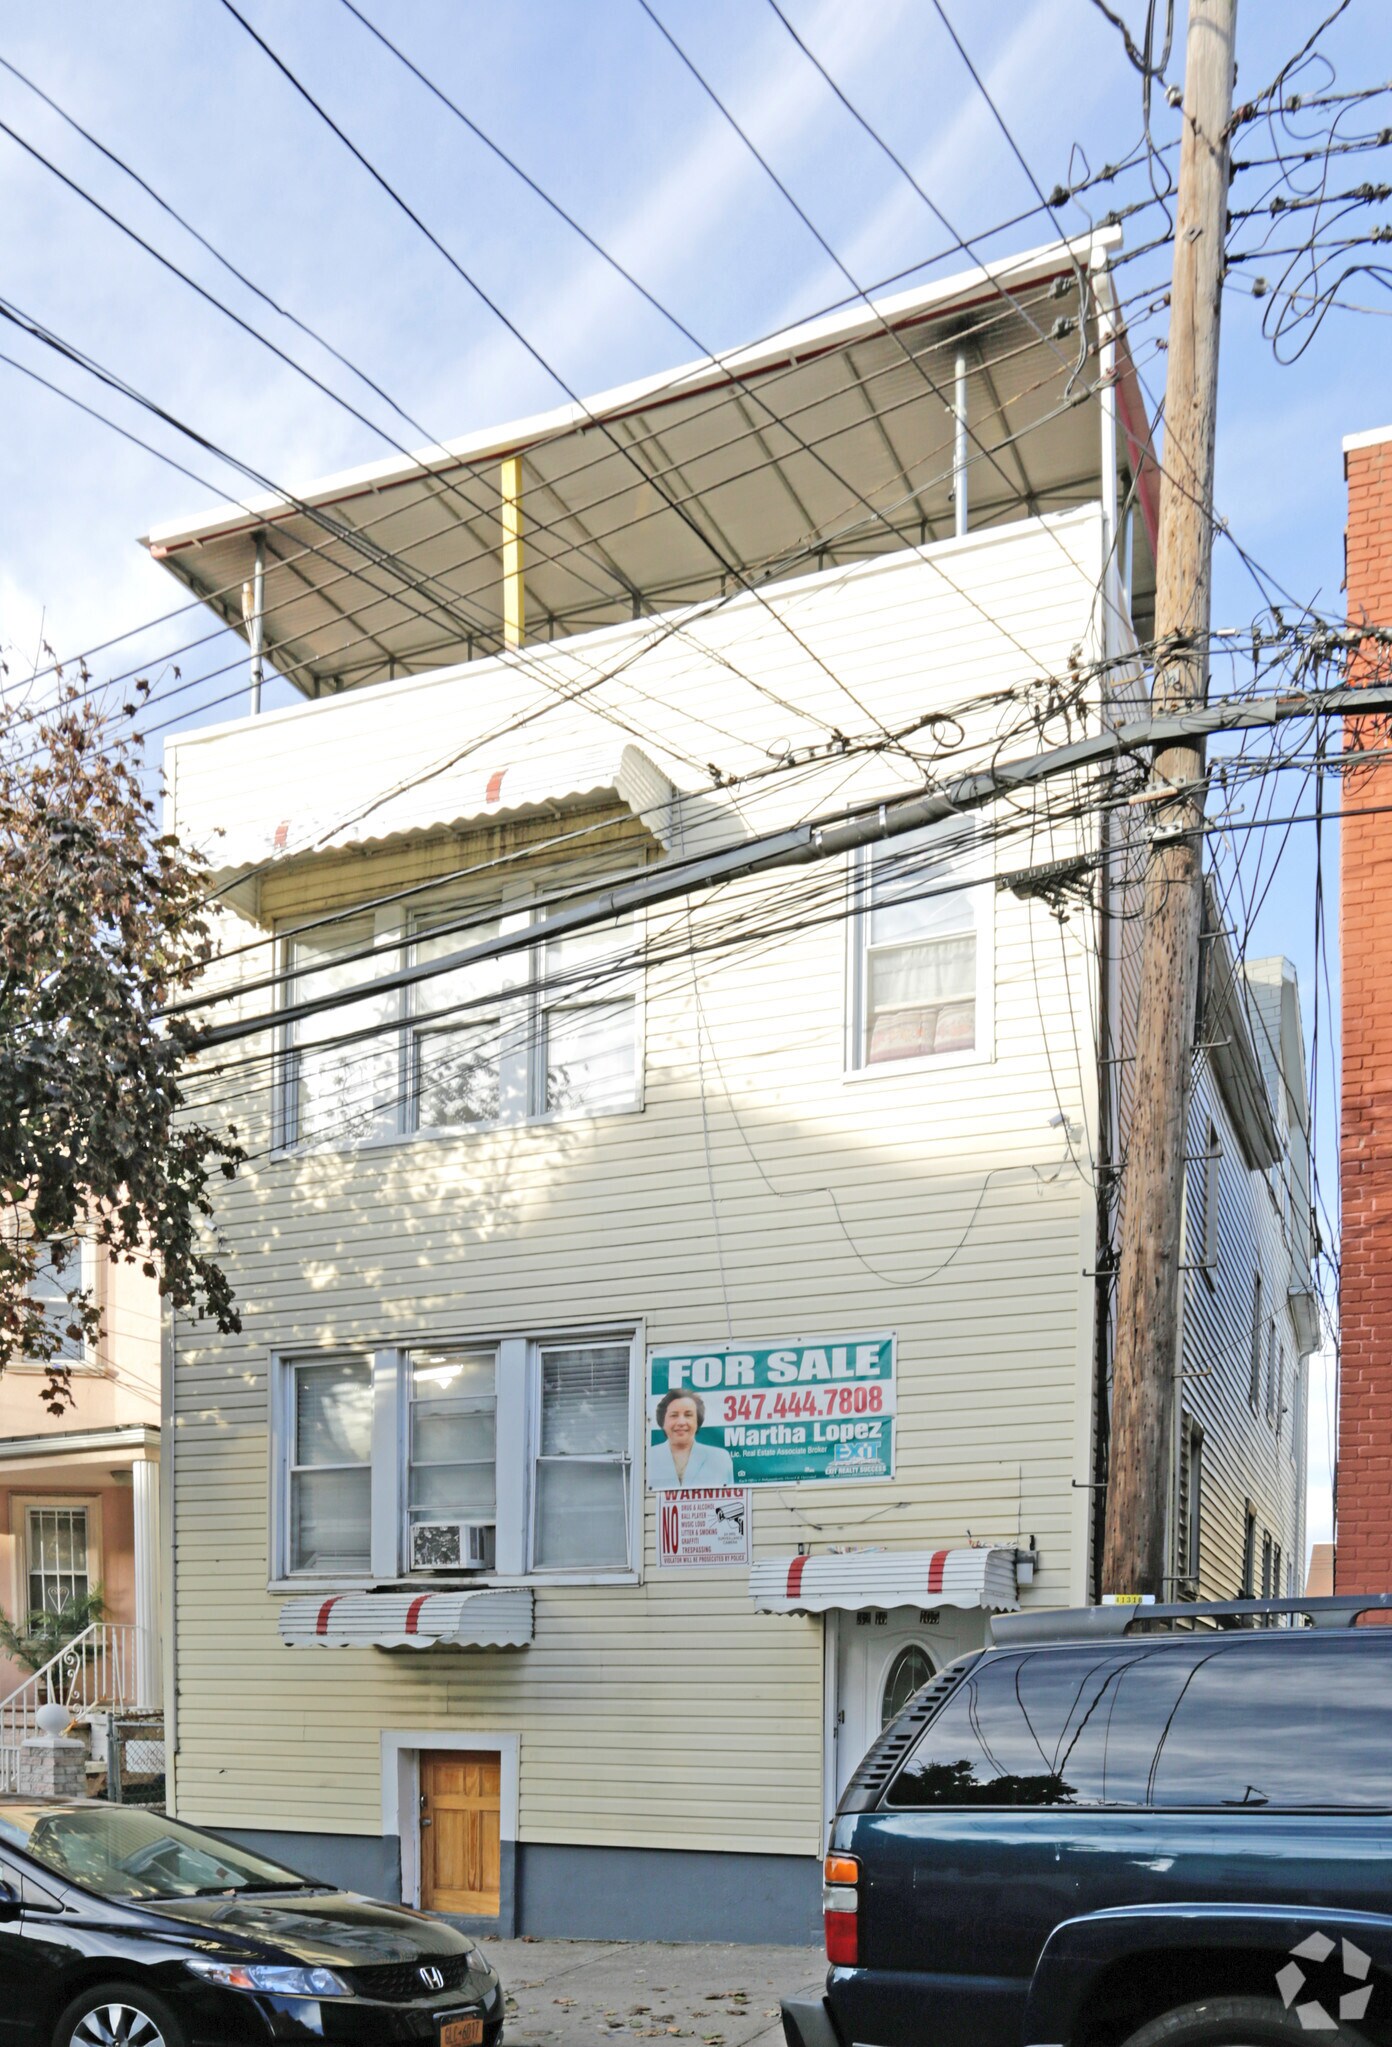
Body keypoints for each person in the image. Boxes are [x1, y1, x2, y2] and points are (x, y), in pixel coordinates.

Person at [648, 1389, 734, 1488]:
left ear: (698, 1421)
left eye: (688, 1415)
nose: (681, 1422)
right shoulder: (649, 1457)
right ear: (662, 1421)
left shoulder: (720, 1458)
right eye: (674, 1415)